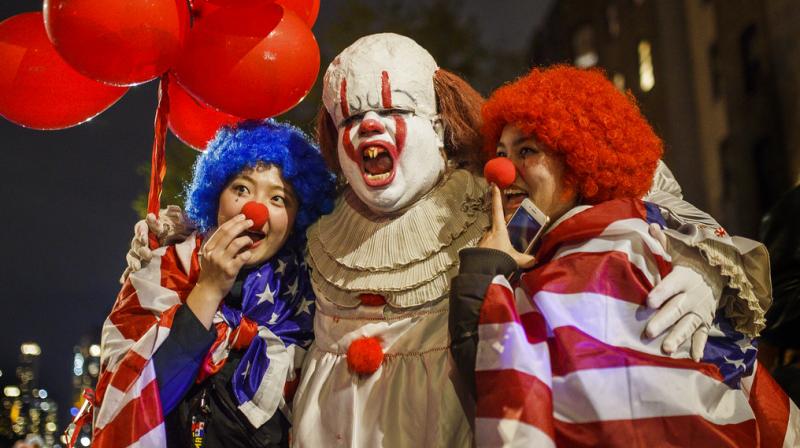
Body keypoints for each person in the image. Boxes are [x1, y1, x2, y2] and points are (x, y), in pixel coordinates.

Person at [450, 65, 798, 446]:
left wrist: (483, 270)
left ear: (578, 162)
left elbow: (506, 388)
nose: (499, 170)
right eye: (500, 153)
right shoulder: (571, 245)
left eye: (527, 150)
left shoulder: (604, 254)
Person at [92, 121, 335, 447]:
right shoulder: (163, 273)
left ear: (295, 220)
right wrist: (208, 289)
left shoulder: (314, 302)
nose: (256, 210)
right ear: (215, 196)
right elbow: (138, 409)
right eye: (242, 189)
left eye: (279, 198)